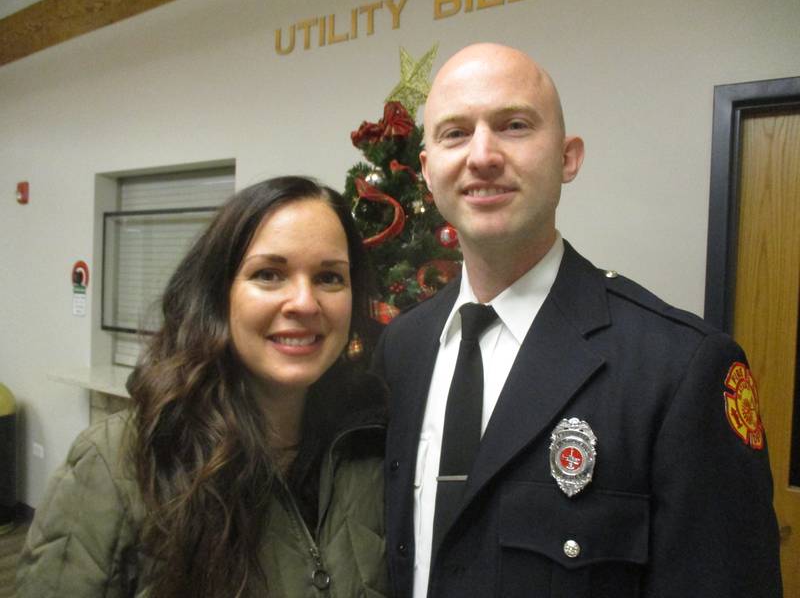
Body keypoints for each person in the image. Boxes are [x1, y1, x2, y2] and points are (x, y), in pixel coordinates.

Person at [374, 43, 782, 598]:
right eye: (454, 133)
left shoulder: (679, 369)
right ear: (427, 171)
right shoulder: (402, 349)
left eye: (514, 125)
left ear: (568, 158)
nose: (482, 154)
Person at [18, 176, 389, 598]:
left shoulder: (370, 448)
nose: (304, 302)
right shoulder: (120, 462)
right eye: (269, 274)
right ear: (218, 294)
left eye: (329, 277)